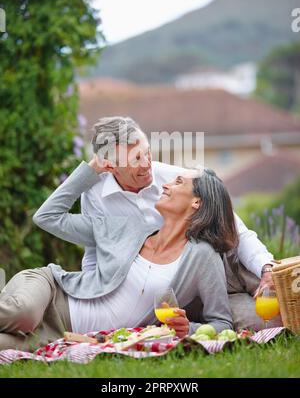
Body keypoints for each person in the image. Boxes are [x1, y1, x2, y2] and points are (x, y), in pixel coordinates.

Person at [0, 160, 235, 351]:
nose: (166, 185)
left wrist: (189, 330)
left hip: (63, 334)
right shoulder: (128, 228)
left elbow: (222, 323)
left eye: (179, 181)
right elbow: (47, 217)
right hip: (51, 293)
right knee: (25, 314)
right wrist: (91, 169)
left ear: (197, 202)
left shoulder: (203, 256)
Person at [81, 116, 276, 329]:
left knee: (278, 295)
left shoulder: (175, 178)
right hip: (183, 287)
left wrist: (266, 268)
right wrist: (94, 300)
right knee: (260, 322)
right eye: (136, 159)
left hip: (226, 265)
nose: (147, 164)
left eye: (147, 152)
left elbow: (237, 231)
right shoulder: (95, 195)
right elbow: (94, 252)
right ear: (110, 166)